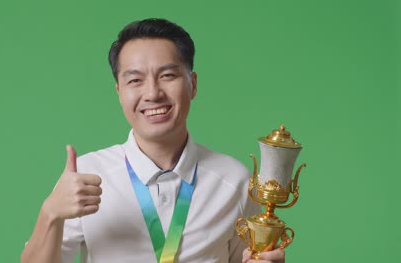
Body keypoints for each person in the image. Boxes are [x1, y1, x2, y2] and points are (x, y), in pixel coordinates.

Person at [21, 18, 285, 263]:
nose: (152, 93)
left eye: (167, 75)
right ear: (119, 91)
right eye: (135, 80)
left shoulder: (235, 180)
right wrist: (50, 214)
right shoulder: (86, 175)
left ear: (192, 84)